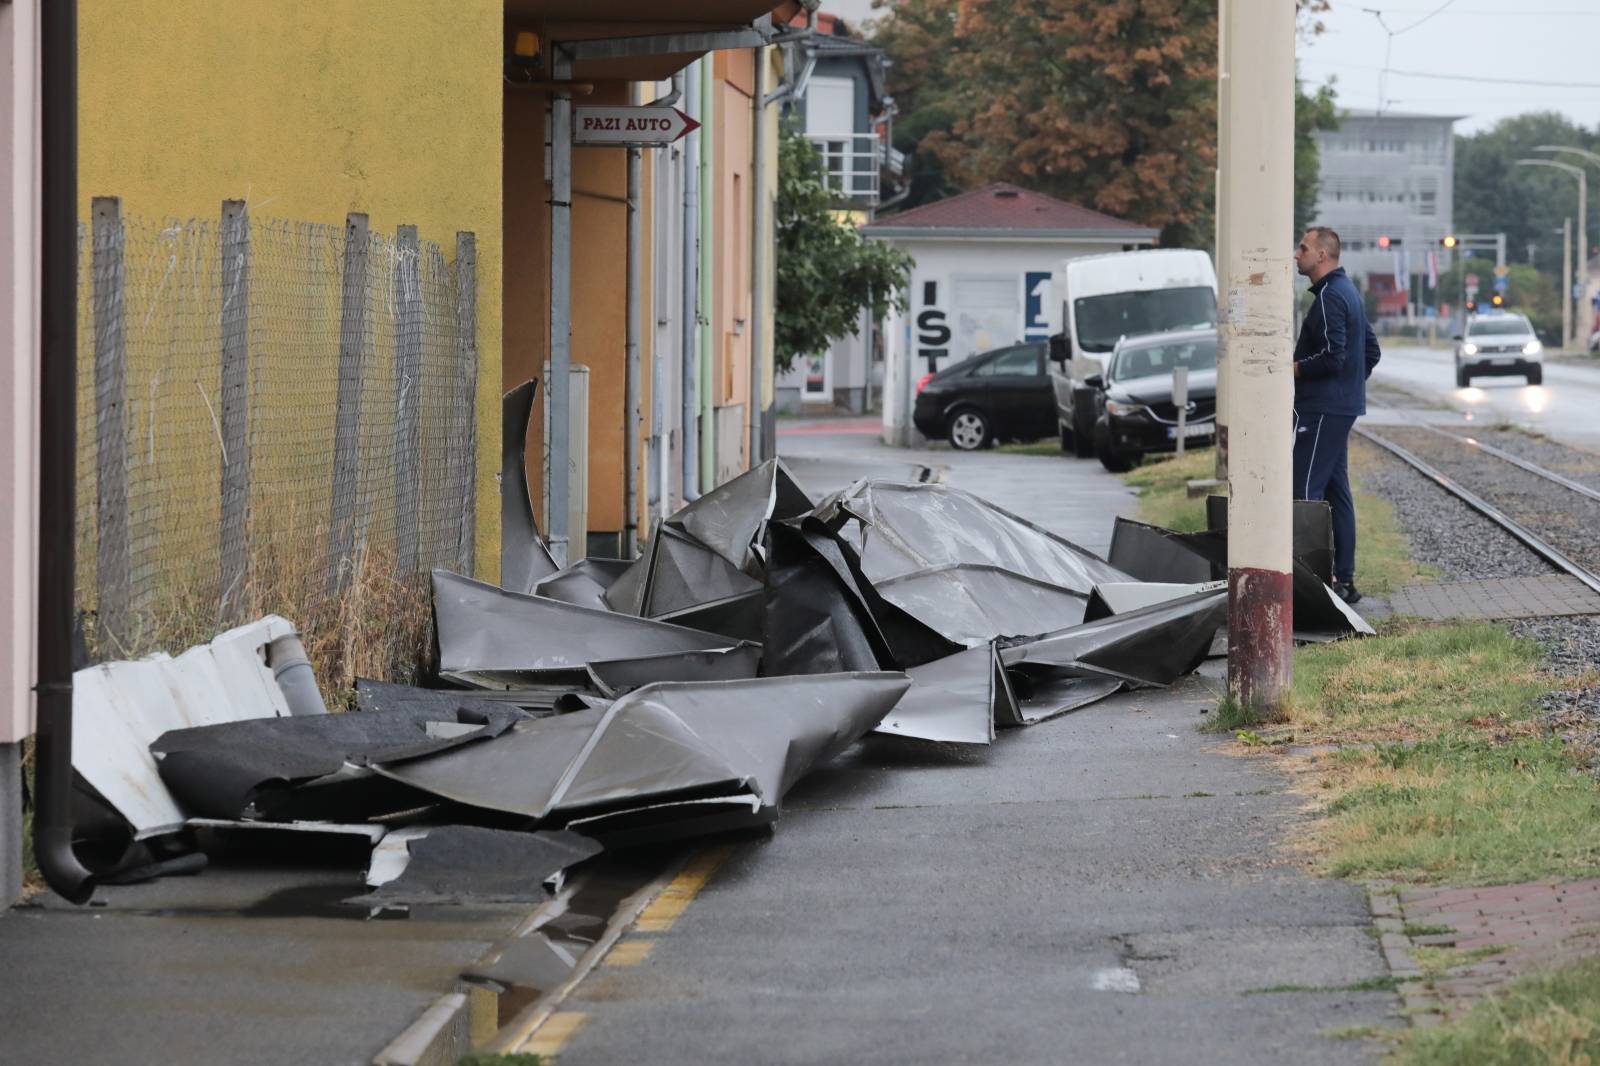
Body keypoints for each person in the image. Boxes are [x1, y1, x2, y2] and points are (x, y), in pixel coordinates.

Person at [1291, 226, 1381, 605]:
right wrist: (1349, 389)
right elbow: (1371, 351)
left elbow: (1333, 355)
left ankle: (1313, 585)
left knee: (1305, 491)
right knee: (1336, 492)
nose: (1297, 254)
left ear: (1323, 256)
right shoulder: (1349, 294)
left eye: (1303, 248)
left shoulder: (1330, 297)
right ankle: (1344, 580)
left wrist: (1293, 369)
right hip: (1339, 407)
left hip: (1322, 409)